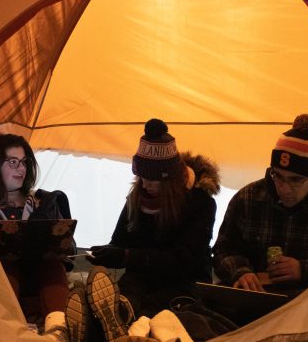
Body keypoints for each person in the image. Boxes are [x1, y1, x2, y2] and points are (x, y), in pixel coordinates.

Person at [212, 113, 308, 295]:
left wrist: (304, 270)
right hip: (253, 301)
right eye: (278, 176)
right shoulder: (248, 199)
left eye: (295, 180)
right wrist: (240, 272)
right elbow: (223, 250)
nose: (284, 188)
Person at [87, 118, 221, 318]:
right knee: (126, 297)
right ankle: (114, 317)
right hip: (140, 277)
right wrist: (108, 254)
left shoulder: (201, 203)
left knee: (154, 312)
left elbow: (184, 261)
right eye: (141, 177)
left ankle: (133, 324)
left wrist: (127, 256)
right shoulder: (139, 196)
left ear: (169, 180)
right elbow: (120, 242)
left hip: (184, 282)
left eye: (151, 179)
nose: (144, 183)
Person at [0, 133, 78, 342]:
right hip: (2, 271)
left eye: (24, 162)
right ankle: (11, 333)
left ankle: (58, 333)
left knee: (53, 264)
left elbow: (69, 247)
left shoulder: (45, 201)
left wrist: (63, 245)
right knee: (6, 265)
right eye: (13, 162)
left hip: (42, 270)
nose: (21, 169)